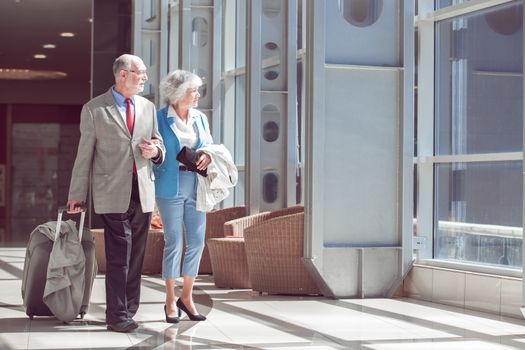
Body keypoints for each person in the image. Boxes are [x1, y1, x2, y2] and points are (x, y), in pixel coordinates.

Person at [67, 54, 165, 333]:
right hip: (111, 192)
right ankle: (117, 315)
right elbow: (84, 156)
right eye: (140, 72)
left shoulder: (147, 107)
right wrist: (77, 195)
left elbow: (159, 144)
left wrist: (156, 151)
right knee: (120, 252)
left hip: (143, 191)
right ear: (123, 74)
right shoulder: (94, 109)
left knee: (137, 256)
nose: (145, 77)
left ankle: (129, 309)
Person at [154, 70, 213, 323]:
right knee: (174, 242)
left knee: (198, 241)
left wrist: (208, 155)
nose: (197, 94)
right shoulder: (158, 118)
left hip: (196, 184)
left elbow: (209, 145)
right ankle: (169, 299)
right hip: (170, 185)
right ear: (179, 94)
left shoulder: (200, 118)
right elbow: (155, 148)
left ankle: (186, 297)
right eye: (193, 90)